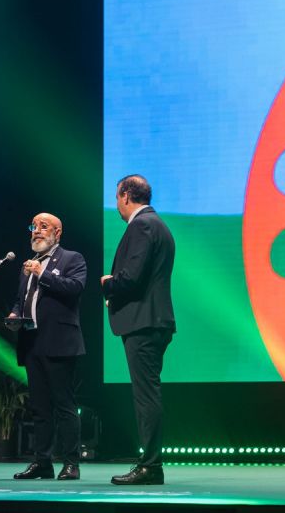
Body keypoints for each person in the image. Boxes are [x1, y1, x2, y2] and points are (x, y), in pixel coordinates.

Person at [100, 175, 176, 485]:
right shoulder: (157, 224)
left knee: (146, 395)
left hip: (145, 322)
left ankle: (150, 466)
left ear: (127, 195)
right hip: (152, 321)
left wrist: (108, 285)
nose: (116, 204)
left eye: (117, 197)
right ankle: (150, 463)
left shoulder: (142, 225)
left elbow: (132, 277)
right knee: (148, 393)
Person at [8, 213, 87, 481]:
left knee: (64, 405)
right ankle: (42, 462)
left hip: (59, 342)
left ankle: (71, 463)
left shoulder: (72, 259)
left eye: (44, 227)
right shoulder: (27, 265)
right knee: (39, 407)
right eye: (33, 226)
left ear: (58, 233)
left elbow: (75, 288)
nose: (37, 231)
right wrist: (14, 314)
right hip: (32, 342)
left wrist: (43, 274)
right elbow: (22, 299)